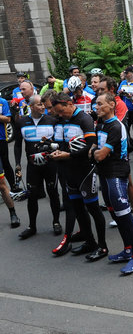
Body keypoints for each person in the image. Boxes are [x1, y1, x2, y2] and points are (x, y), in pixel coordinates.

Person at [49, 93, 107, 259]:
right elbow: (60, 144)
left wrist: (68, 156)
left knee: (93, 209)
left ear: (69, 104)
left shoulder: (84, 119)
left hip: (85, 170)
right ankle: (90, 242)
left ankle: (102, 247)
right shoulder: (60, 120)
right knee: (77, 208)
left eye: (62, 111)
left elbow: (90, 147)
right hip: (68, 171)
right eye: (57, 112)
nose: (60, 115)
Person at [93, 92, 133, 273]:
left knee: (125, 217)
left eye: (99, 104)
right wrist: (94, 152)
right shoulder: (101, 124)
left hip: (116, 175)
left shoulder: (115, 126)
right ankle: (128, 249)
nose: (96, 107)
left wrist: (94, 153)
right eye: (95, 104)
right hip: (104, 175)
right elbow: (95, 148)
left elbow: (100, 154)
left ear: (112, 105)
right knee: (115, 215)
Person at [14, 95, 62, 239]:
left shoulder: (52, 120)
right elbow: (17, 145)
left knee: (52, 192)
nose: (42, 107)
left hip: (50, 163)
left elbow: (59, 142)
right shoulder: (22, 122)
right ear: (31, 107)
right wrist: (17, 164)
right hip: (32, 165)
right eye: (39, 105)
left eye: (43, 104)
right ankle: (32, 226)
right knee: (32, 195)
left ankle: (56, 222)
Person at [97, 76, 133, 229]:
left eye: (102, 89)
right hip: (106, 148)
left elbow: (117, 125)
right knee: (111, 184)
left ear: (111, 90)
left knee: (127, 182)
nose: (98, 91)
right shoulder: (100, 102)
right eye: (98, 88)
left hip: (118, 150)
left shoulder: (120, 104)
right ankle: (120, 213)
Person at [0, 95, 16, 190]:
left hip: (1, 138)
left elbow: (8, 119)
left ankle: (13, 186)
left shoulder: (2, 102)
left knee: (5, 162)